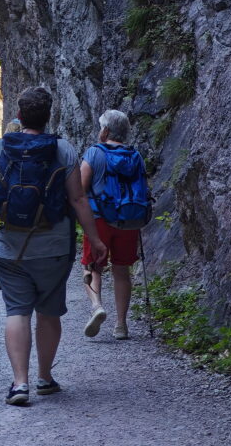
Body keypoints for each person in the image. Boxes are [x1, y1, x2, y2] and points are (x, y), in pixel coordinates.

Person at [0, 86, 107, 406]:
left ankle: (20, 384)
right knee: (47, 312)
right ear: (49, 116)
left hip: (8, 247)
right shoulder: (64, 150)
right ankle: (45, 378)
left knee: (16, 311)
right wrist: (95, 239)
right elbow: (77, 199)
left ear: (18, 115)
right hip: (54, 247)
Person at [80, 109, 143, 340]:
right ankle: (121, 325)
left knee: (92, 266)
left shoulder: (95, 153)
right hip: (128, 220)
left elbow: (80, 187)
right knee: (121, 270)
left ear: (105, 130)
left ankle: (97, 306)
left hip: (99, 220)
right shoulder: (135, 156)